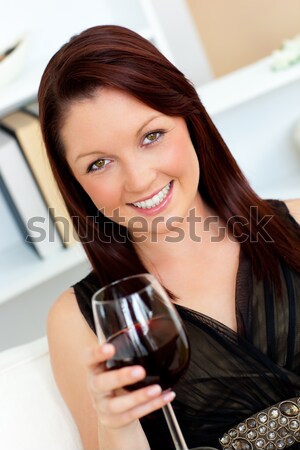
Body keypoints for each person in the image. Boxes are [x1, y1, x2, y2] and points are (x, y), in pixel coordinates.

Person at [38, 25, 300, 450]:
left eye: (152, 136)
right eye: (100, 163)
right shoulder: (75, 321)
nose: (139, 180)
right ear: (75, 183)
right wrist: (116, 426)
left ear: (190, 120)